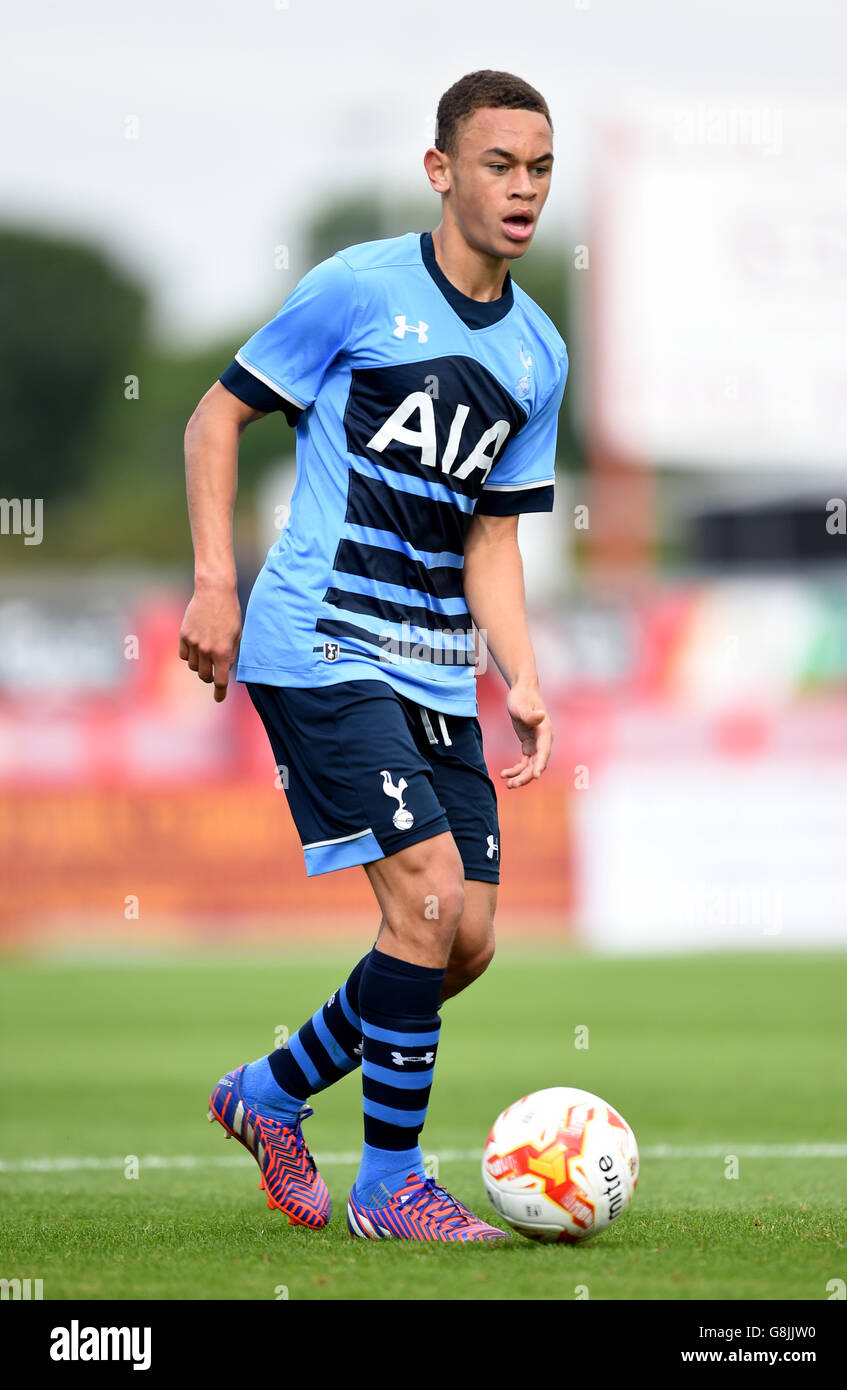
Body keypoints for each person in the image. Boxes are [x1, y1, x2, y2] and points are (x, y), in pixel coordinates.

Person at [180, 68, 568, 1242]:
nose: (521, 189)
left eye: (539, 168)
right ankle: (389, 1184)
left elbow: (491, 533)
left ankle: (268, 1092)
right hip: (320, 642)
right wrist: (213, 582)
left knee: (467, 939)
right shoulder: (357, 288)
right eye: (497, 165)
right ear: (439, 171)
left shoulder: (539, 351)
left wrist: (522, 673)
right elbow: (212, 417)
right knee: (426, 900)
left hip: (436, 667)